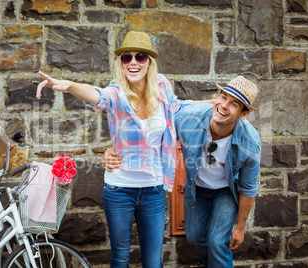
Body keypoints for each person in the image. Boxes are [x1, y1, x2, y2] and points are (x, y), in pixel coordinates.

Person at [36, 31, 196, 267]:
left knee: (153, 262)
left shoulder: (161, 86)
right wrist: (69, 85)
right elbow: (97, 95)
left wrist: (217, 103)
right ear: (120, 63)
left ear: (149, 63)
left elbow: (180, 107)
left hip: (153, 190)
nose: (132, 62)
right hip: (120, 189)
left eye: (140, 57)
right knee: (120, 257)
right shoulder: (117, 93)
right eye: (126, 57)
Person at [104, 76, 261, 267]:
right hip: (196, 189)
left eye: (234, 104)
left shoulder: (250, 143)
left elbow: (248, 187)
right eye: (223, 97)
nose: (224, 105)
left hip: (226, 190)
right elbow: (151, 133)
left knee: (218, 241)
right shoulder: (188, 119)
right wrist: (114, 148)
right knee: (195, 237)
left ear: (243, 114)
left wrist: (240, 227)